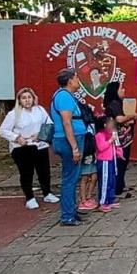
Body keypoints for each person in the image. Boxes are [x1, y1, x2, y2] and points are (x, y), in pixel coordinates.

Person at [0, 87, 59, 210]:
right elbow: (3, 130)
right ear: (19, 100)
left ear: (33, 98)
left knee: (44, 170)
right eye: (24, 98)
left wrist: (40, 135)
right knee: (27, 172)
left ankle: (47, 193)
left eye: (29, 97)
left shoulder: (40, 110)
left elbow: (49, 124)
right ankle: (29, 197)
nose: (27, 100)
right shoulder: (14, 114)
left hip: (39, 144)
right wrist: (16, 137)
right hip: (22, 147)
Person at [50, 69, 87, 226]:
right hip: (68, 141)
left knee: (73, 176)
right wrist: (74, 147)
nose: (79, 81)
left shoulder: (65, 95)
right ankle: (67, 216)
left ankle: (71, 210)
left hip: (72, 139)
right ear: (70, 81)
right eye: (76, 78)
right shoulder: (64, 96)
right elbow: (67, 122)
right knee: (70, 178)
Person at [103, 82, 137, 198]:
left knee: (123, 163)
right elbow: (119, 119)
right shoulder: (114, 104)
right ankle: (117, 187)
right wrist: (132, 115)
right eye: (121, 88)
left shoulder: (118, 103)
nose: (123, 90)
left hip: (124, 138)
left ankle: (120, 185)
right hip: (119, 139)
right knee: (120, 163)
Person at [95, 115, 124, 211]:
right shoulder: (100, 135)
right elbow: (101, 147)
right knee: (104, 182)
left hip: (112, 159)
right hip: (104, 161)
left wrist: (119, 153)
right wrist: (110, 140)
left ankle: (110, 199)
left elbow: (116, 145)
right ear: (104, 125)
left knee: (112, 181)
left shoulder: (111, 133)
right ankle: (102, 202)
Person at [77, 131, 98, 212]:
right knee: (84, 178)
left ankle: (89, 196)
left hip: (93, 151)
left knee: (94, 176)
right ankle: (83, 199)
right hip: (85, 151)